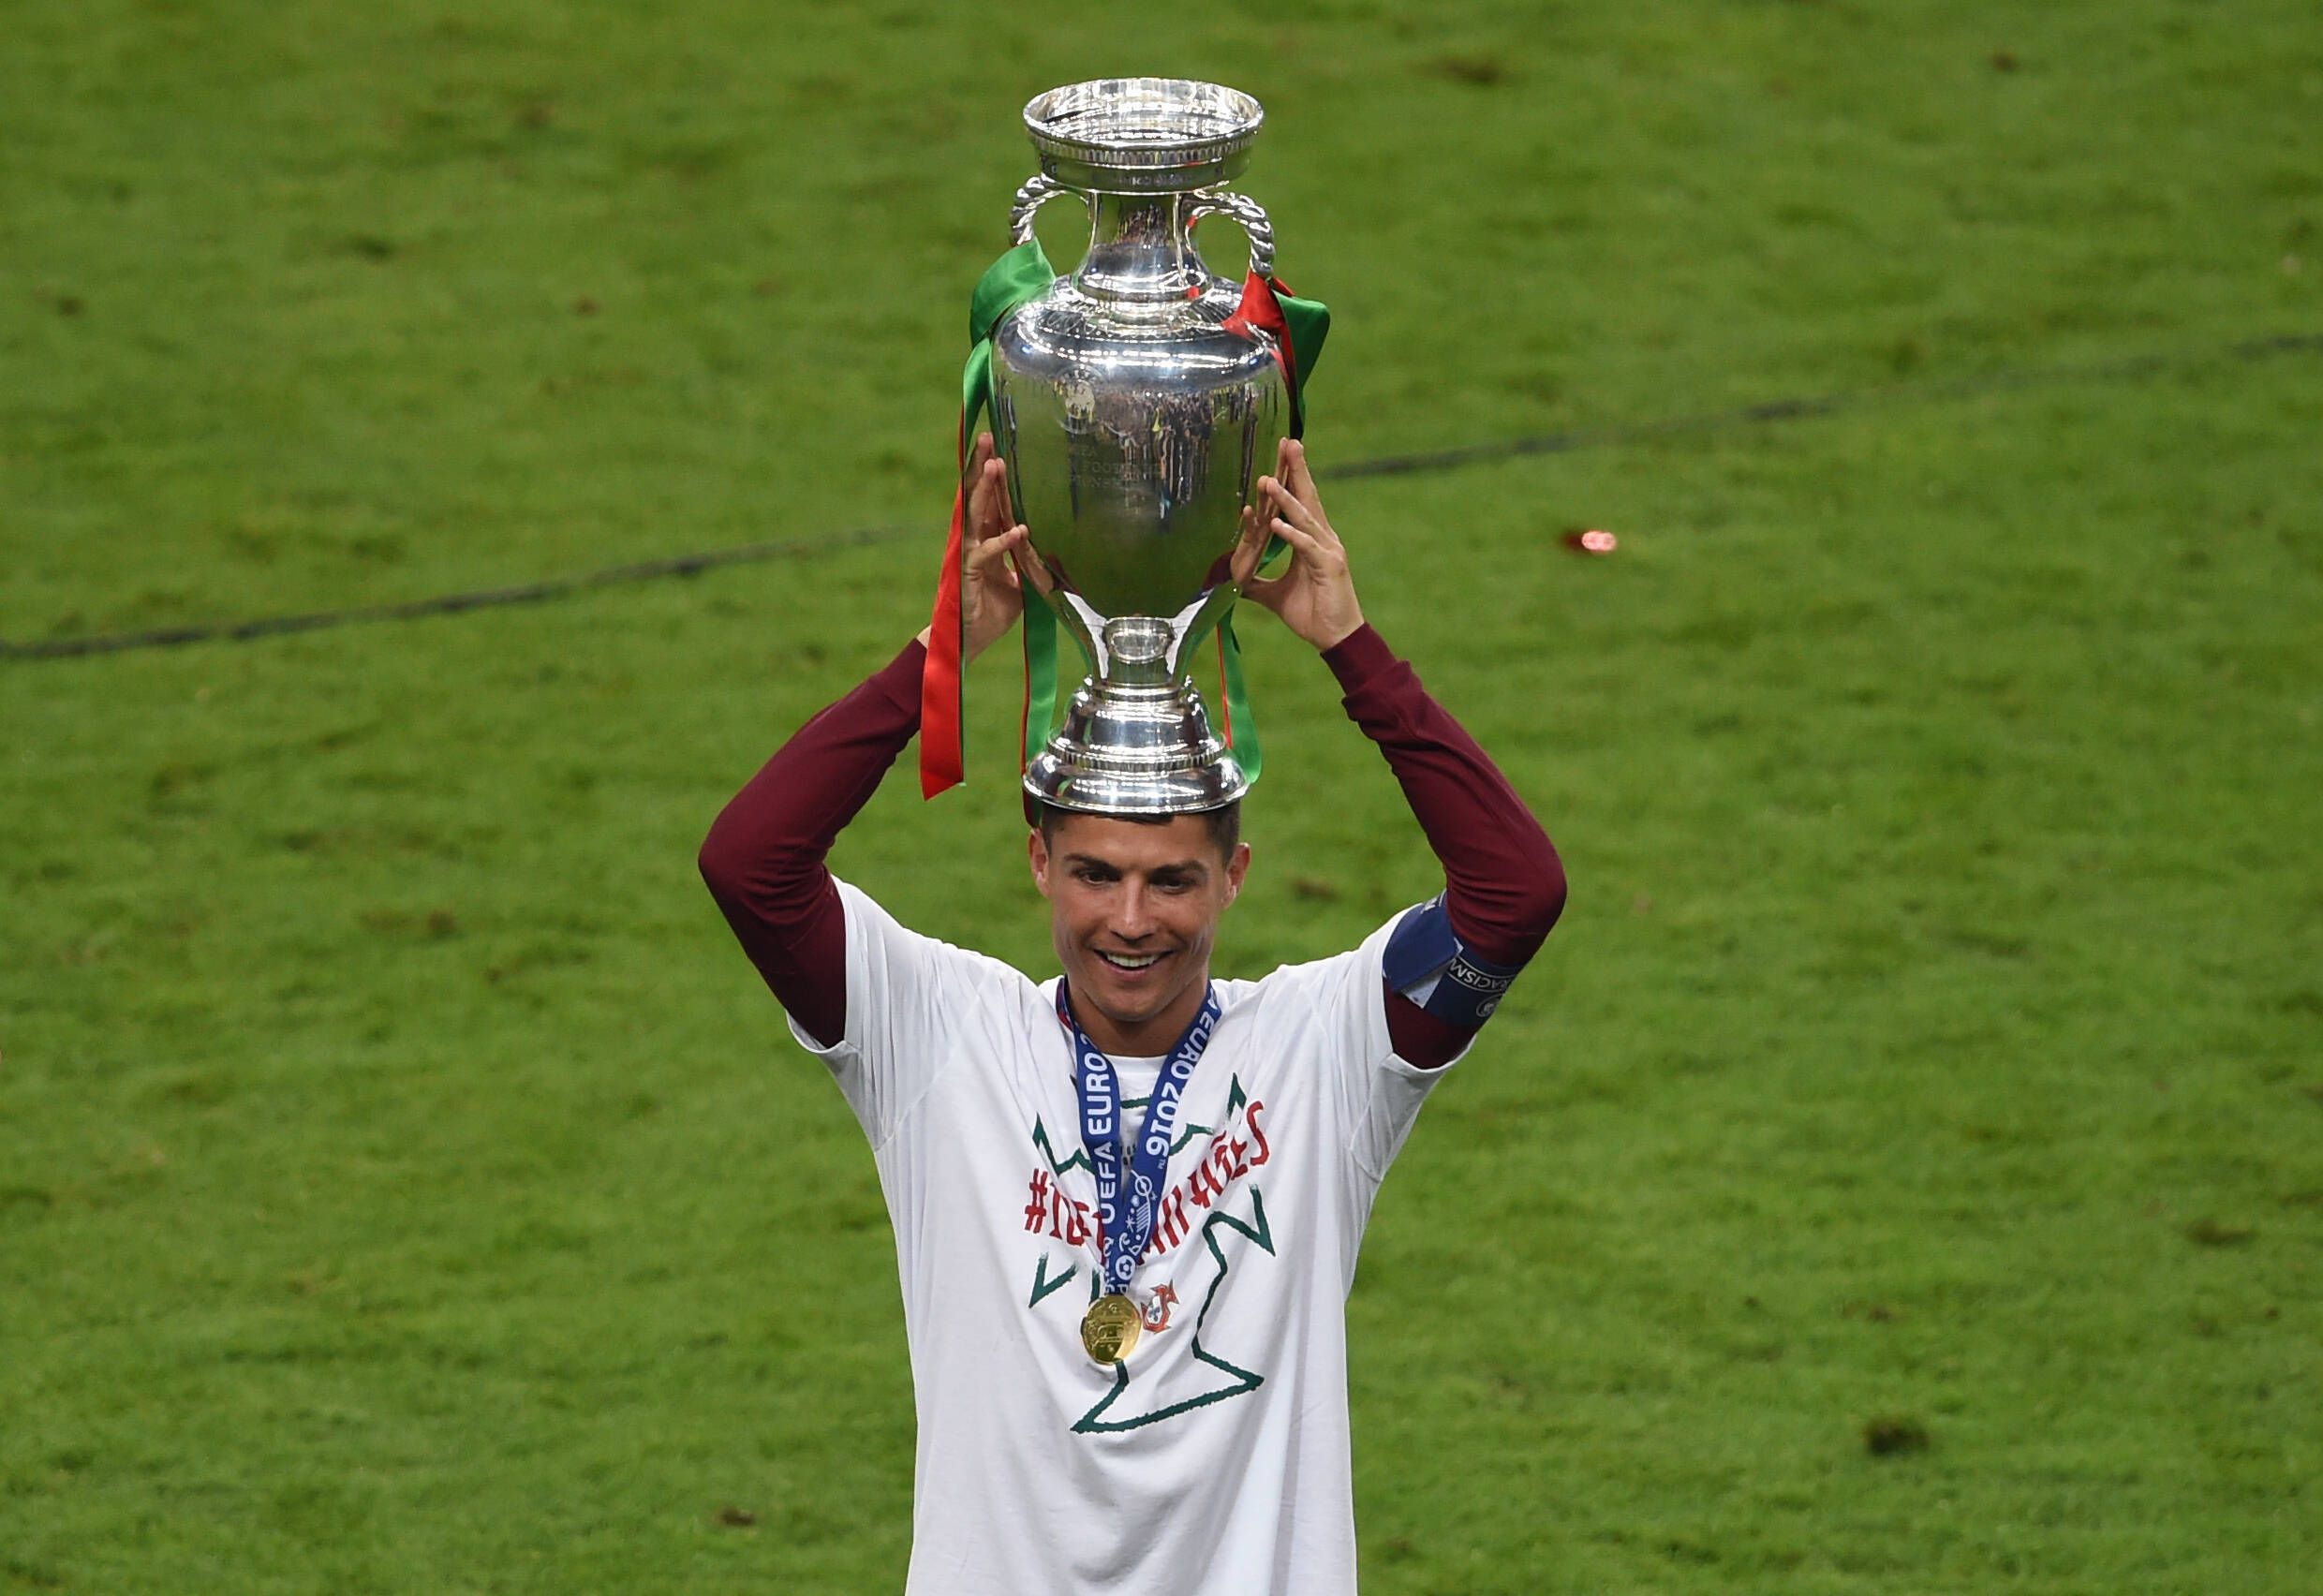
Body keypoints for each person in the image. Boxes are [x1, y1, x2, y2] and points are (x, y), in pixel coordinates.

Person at [699, 436, 1564, 1594]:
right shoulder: (940, 1033)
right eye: (1096, 873)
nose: (1131, 921)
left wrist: (1351, 649)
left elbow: (1515, 895)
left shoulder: (1325, 1049)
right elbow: (750, 865)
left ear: (1235, 876)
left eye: (1171, 881)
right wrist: (939, 655)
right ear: (1037, 864)